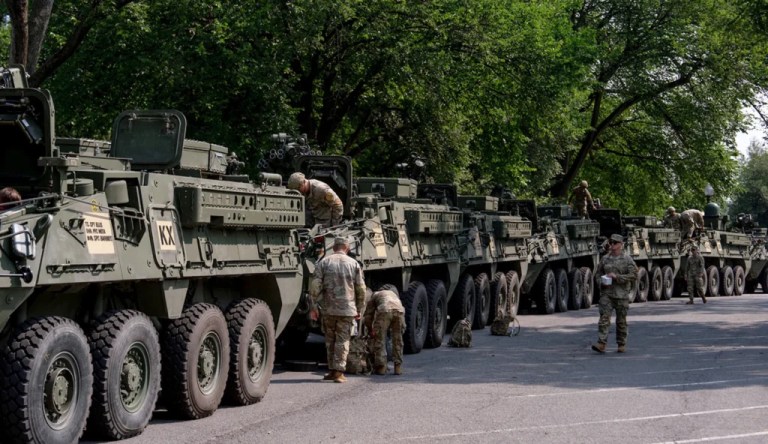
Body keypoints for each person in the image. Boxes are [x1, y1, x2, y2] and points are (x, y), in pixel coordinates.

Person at [309, 236, 366, 383]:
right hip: (347, 309)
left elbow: (315, 286)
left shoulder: (324, 262)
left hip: (328, 309)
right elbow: (361, 289)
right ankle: (339, 372)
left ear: (334, 248)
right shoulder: (354, 264)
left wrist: (314, 307)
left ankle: (332, 371)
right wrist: (359, 308)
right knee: (342, 340)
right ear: (347, 248)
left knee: (330, 340)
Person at [592, 233, 638, 354]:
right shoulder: (605, 259)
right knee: (604, 319)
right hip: (607, 293)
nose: (612, 245)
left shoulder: (627, 259)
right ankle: (601, 343)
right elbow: (598, 274)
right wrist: (601, 283)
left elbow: (634, 275)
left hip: (621, 294)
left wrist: (617, 277)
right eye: (610, 242)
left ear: (621, 245)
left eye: (615, 243)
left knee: (621, 321)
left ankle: (621, 343)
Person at [363, 285, 405, 375]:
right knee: (398, 340)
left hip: (385, 310)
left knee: (379, 339)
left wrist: (370, 330)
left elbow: (368, 316)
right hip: (400, 311)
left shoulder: (375, 295)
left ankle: (381, 367)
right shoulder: (393, 294)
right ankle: (398, 367)